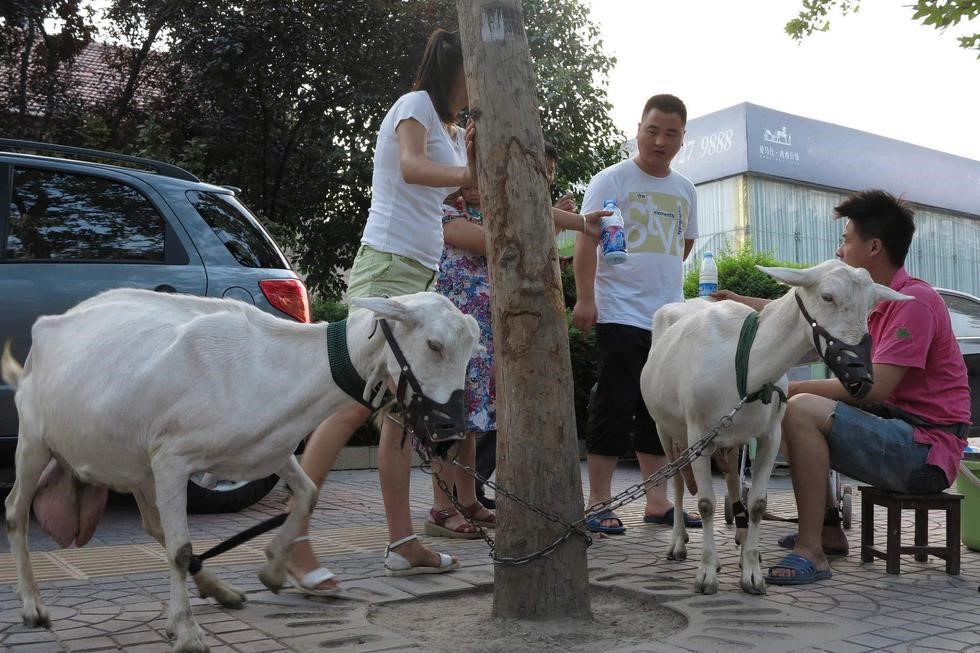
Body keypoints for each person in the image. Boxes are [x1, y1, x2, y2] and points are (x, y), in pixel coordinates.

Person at [286, 27, 608, 592]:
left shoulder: (455, 133)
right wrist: (469, 172)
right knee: (352, 409)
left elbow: (487, 195)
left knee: (398, 421)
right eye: (479, 77)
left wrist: (578, 222)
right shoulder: (415, 108)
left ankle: (401, 542)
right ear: (462, 72)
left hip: (419, 274)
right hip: (388, 265)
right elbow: (413, 169)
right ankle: (295, 539)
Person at [716, 190, 971, 585]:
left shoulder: (914, 302)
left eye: (847, 239)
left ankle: (812, 550)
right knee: (795, 405)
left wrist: (792, 387)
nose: (839, 249)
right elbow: (800, 309)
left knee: (796, 409)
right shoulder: (869, 300)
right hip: (900, 433)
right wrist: (736, 302)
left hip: (925, 452)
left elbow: (875, 388)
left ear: (873, 247)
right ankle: (829, 531)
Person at [429, 175, 610, 534]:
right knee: (451, 416)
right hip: (454, 328)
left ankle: (468, 499)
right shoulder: (446, 212)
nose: (478, 181)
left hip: (483, 330)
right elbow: (498, 243)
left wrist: (573, 224)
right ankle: (440, 507)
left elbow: (519, 231)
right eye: (471, 171)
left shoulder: (490, 211)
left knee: (473, 421)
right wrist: (558, 222)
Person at [572, 94, 700, 535]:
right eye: (652, 130)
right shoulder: (612, 180)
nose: (660, 140)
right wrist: (585, 299)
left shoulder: (685, 189)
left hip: (669, 317)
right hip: (619, 312)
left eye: (671, 133)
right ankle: (599, 501)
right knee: (614, 401)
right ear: (639, 128)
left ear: (683, 138)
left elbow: (684, 246)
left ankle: (658, 500)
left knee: (659, 408)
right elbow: (586, 241)